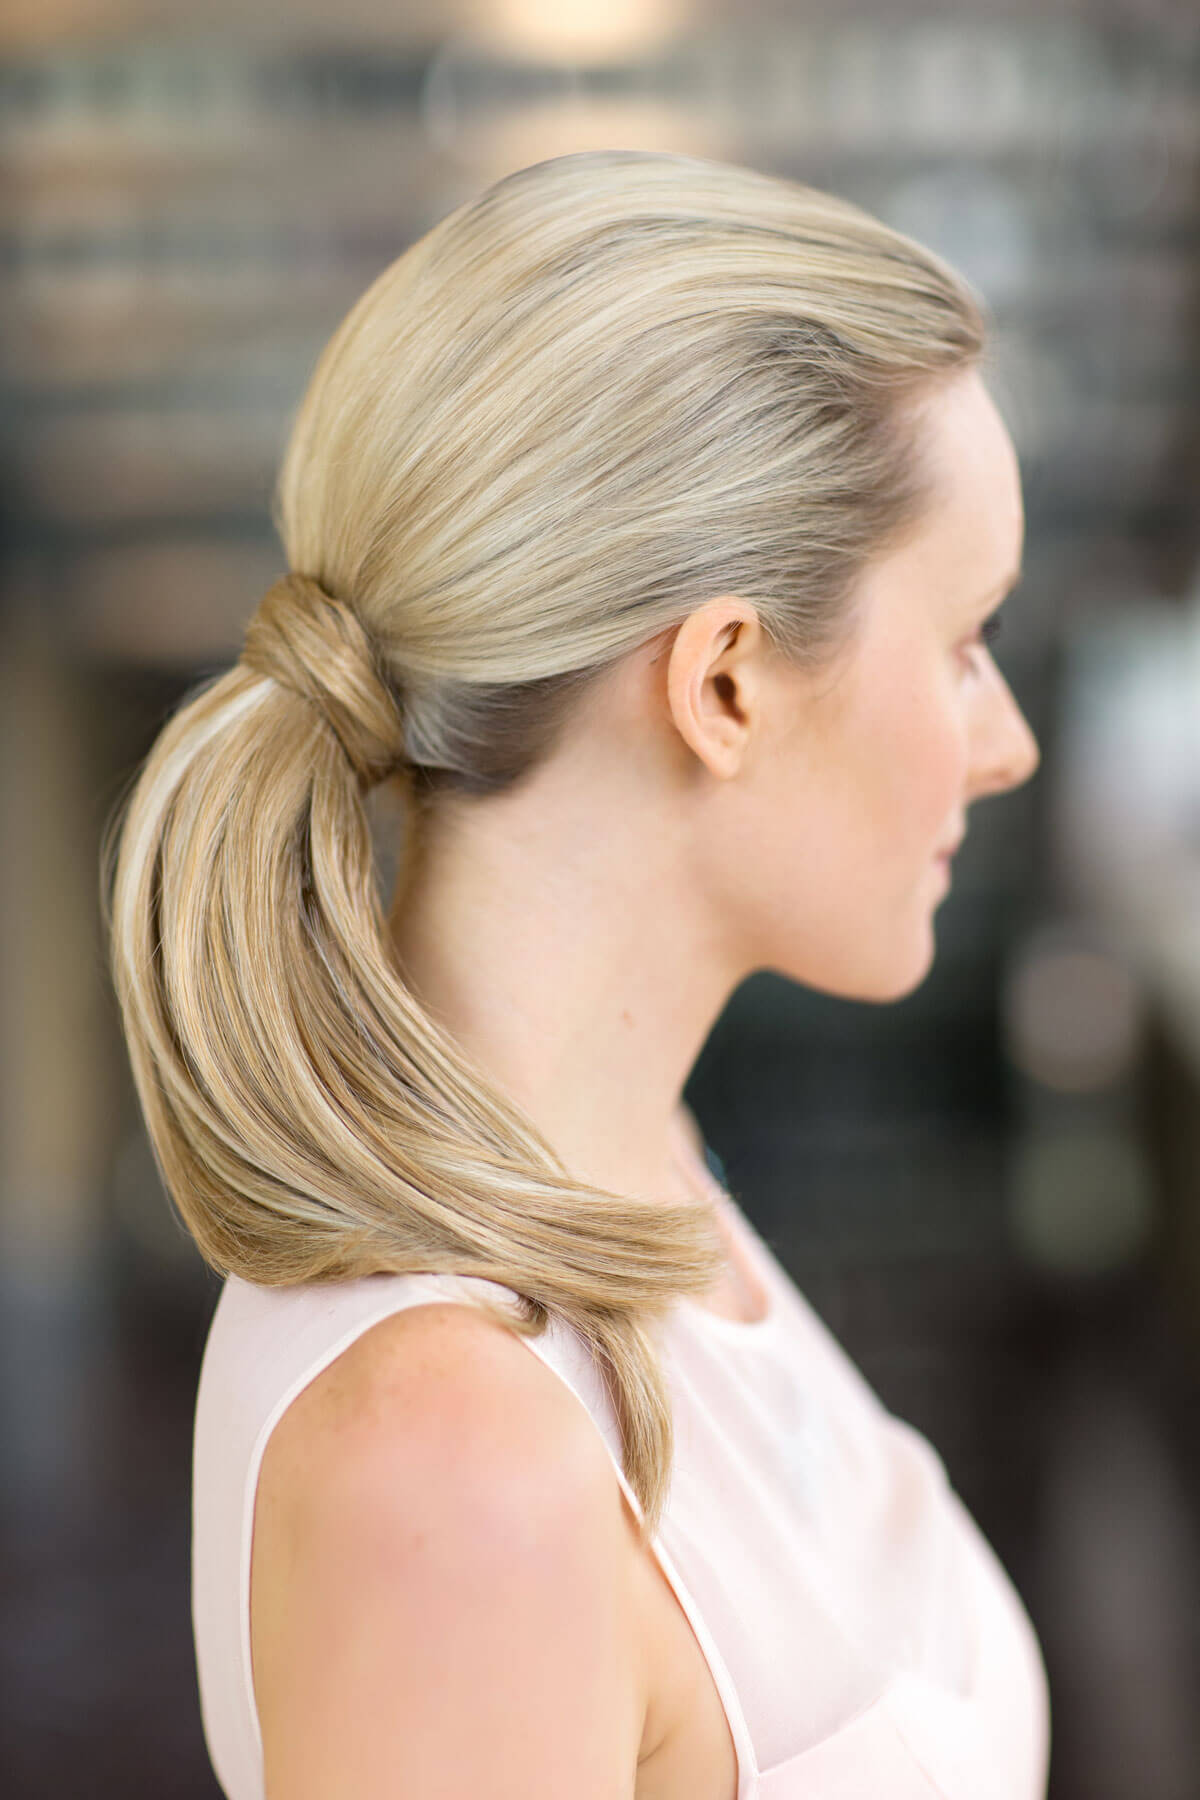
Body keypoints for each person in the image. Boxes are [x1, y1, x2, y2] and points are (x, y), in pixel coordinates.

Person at [102, 149, 1049, 1799]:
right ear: (724, 683)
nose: (1008, 741)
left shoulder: (629, 1171)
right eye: (965, 644)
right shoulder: (451, 1470)